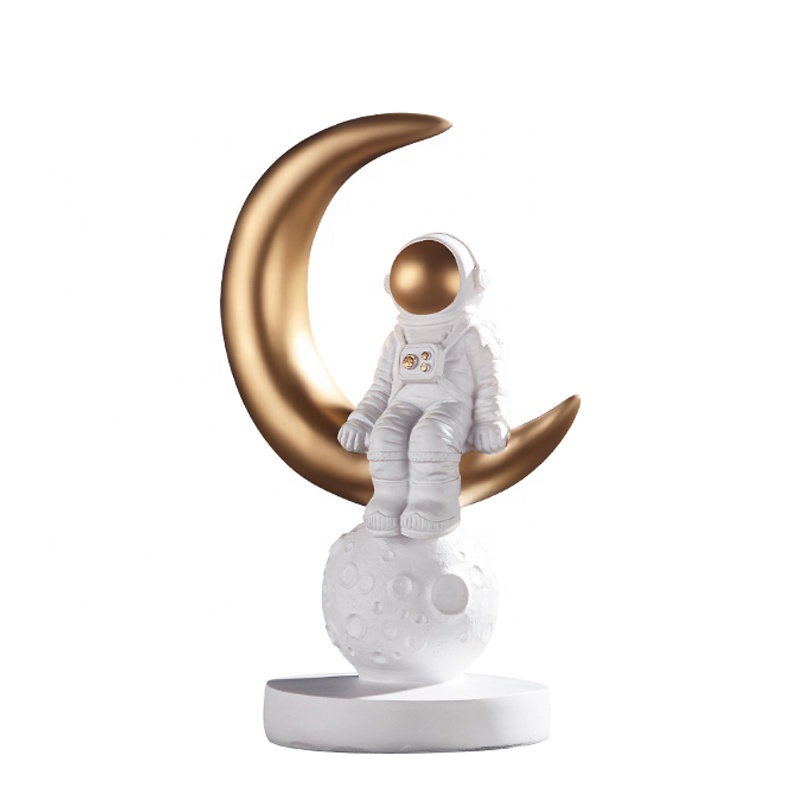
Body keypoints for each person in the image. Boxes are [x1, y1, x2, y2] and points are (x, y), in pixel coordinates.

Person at [338, 233, 509, 539]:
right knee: (385, 435)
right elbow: (381, 388)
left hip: (452, 404)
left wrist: (488, 421)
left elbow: (489, 383)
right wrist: (362, 420)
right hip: (403, 403)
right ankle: (388, 501)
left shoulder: (470, 333)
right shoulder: (398, 337)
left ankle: (435, 504)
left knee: (431, 436)